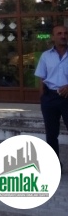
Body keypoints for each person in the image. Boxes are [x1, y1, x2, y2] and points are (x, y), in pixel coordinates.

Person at [35, 25, 68, 165]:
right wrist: (43, 98)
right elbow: (41, 77)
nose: (63, 36)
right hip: (50, 98)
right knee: (51, 133)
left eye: (65, 33)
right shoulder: (45, 56)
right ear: (53, 37)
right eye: (59, 33)